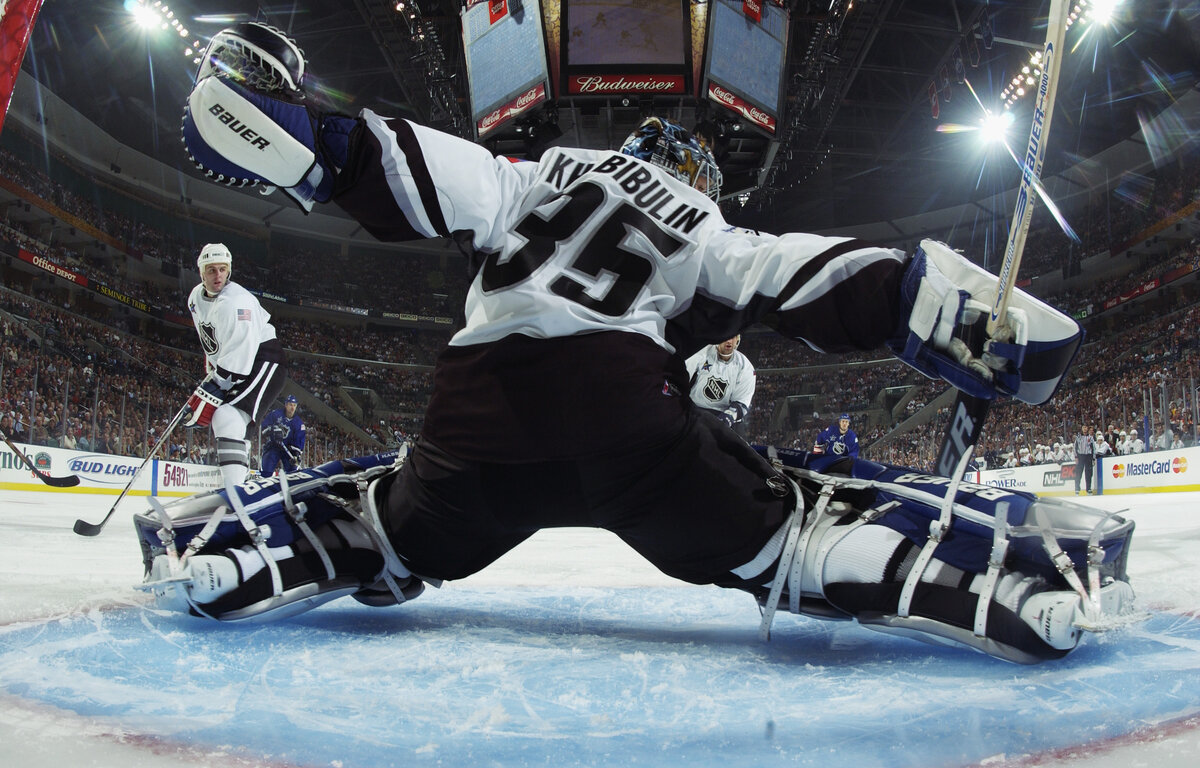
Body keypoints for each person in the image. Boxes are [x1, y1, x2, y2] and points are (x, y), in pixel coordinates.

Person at [142, 23, 1137, 664]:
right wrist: (943, 310)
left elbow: (405, 168)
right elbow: (811, 279)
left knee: (398, 525)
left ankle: (252, 560)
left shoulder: (533, 176)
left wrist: (309, 136)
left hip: (477, 422)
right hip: (626, 428)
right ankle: (961, 581)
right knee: (787, 532)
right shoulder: (704, 227)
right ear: (695, 172)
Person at [185, 242, 287, 486]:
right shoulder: (194, 298)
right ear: (201, 273)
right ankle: (235, 487)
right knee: (234, 426)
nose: (217, 275)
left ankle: (234, 493)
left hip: (264, 359)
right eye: (211, 270)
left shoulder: (236, 302)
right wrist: (212, 371)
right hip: (238, 362)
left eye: (222, 269)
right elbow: (211, 340)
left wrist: (215, 385)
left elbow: (239, 361)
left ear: (228, 270)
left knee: (226, 416)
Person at [684, 334, 755, 436]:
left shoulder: (745, 366)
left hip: (723, 413)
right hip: (695, 409)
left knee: (737, 440)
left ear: (737, 340)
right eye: (726, 336)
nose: (729, 341)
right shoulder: (702, 352)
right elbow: (682, 375)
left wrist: (728, 417)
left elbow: (742, 402)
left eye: (733, 337)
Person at [260, 394, 307, 476]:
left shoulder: (299, 424)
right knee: (267, 469)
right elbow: (264, 428)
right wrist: (272, 430)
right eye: (290, 405)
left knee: (292, 473)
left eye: (294, 405)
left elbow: (299, 442)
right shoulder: (275, 414)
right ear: (285, 405)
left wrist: (296, 455)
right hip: (273, 446)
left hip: (288, 450)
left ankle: (291, 486)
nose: (292, 408)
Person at [1073, 424, 1095, 495]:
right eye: (1083, 427)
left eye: (1086, 427)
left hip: (1088, 456)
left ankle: (1088, 488)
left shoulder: (1090, 437)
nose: (1085, 429)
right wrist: (1076, 457)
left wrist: (1093, 458)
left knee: (1088, 473)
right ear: (1082, 428)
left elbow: (1093, 448)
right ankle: (1077, 488)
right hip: (1080, 456)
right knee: (1078, 473)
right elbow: (1075, 447)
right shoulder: (1078, 437)